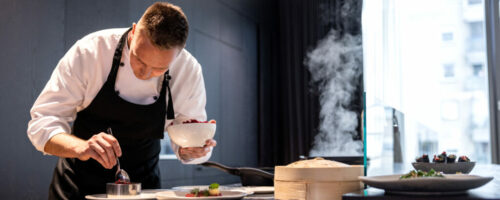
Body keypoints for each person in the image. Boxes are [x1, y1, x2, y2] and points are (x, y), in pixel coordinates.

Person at [26, 2, 216, 199]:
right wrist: (80, 147)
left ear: (179, 54)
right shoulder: (91, 51)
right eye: (139, 60)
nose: (145, 74)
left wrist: (191, 152)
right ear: (134, 32)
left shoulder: (188, 70)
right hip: (76, 187)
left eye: (159, 69)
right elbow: (42, 123)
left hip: (143, 190)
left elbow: (188, 137)